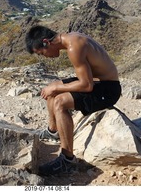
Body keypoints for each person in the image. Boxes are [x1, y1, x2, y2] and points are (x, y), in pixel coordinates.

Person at [25, 25, 121, 176]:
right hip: (98, 82)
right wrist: (55, 88)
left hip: (108, 90)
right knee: (52, 88)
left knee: (59, 101)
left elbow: (87, 85)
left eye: (41, 52)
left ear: (46, 42)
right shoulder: (71, 37)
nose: (44, 56)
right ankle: (53, 131)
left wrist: (57, 89)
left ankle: (67, 160)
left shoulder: (74, 47)